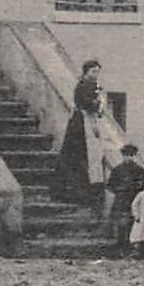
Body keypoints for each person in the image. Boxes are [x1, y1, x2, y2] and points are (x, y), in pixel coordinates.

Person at [54, 59, 108, 212]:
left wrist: (99, 104)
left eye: (97, 72)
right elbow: (85, 103)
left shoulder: (94, 86)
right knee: (77, 157)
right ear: (86, 72)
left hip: (88, 123)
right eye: (93, 71)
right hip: (79, 126)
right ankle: (72, 192)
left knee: (87, 159)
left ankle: (84, 193)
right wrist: (97, 104)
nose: (95, 74)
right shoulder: (83, 85)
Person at [105, 143, 144, 254]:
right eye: (126, 155)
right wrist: (120, 190)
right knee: (121, 224)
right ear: (122, 156)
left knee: (133, 224)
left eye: (131, 155)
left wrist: (136, 188)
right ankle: (121, 245)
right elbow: (110, 185)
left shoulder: (139, 170)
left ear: (135, 156)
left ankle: (132, 246)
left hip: (134, 199)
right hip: (121, 200)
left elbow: (143, 185)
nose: (129, 158)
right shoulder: (117, 170)